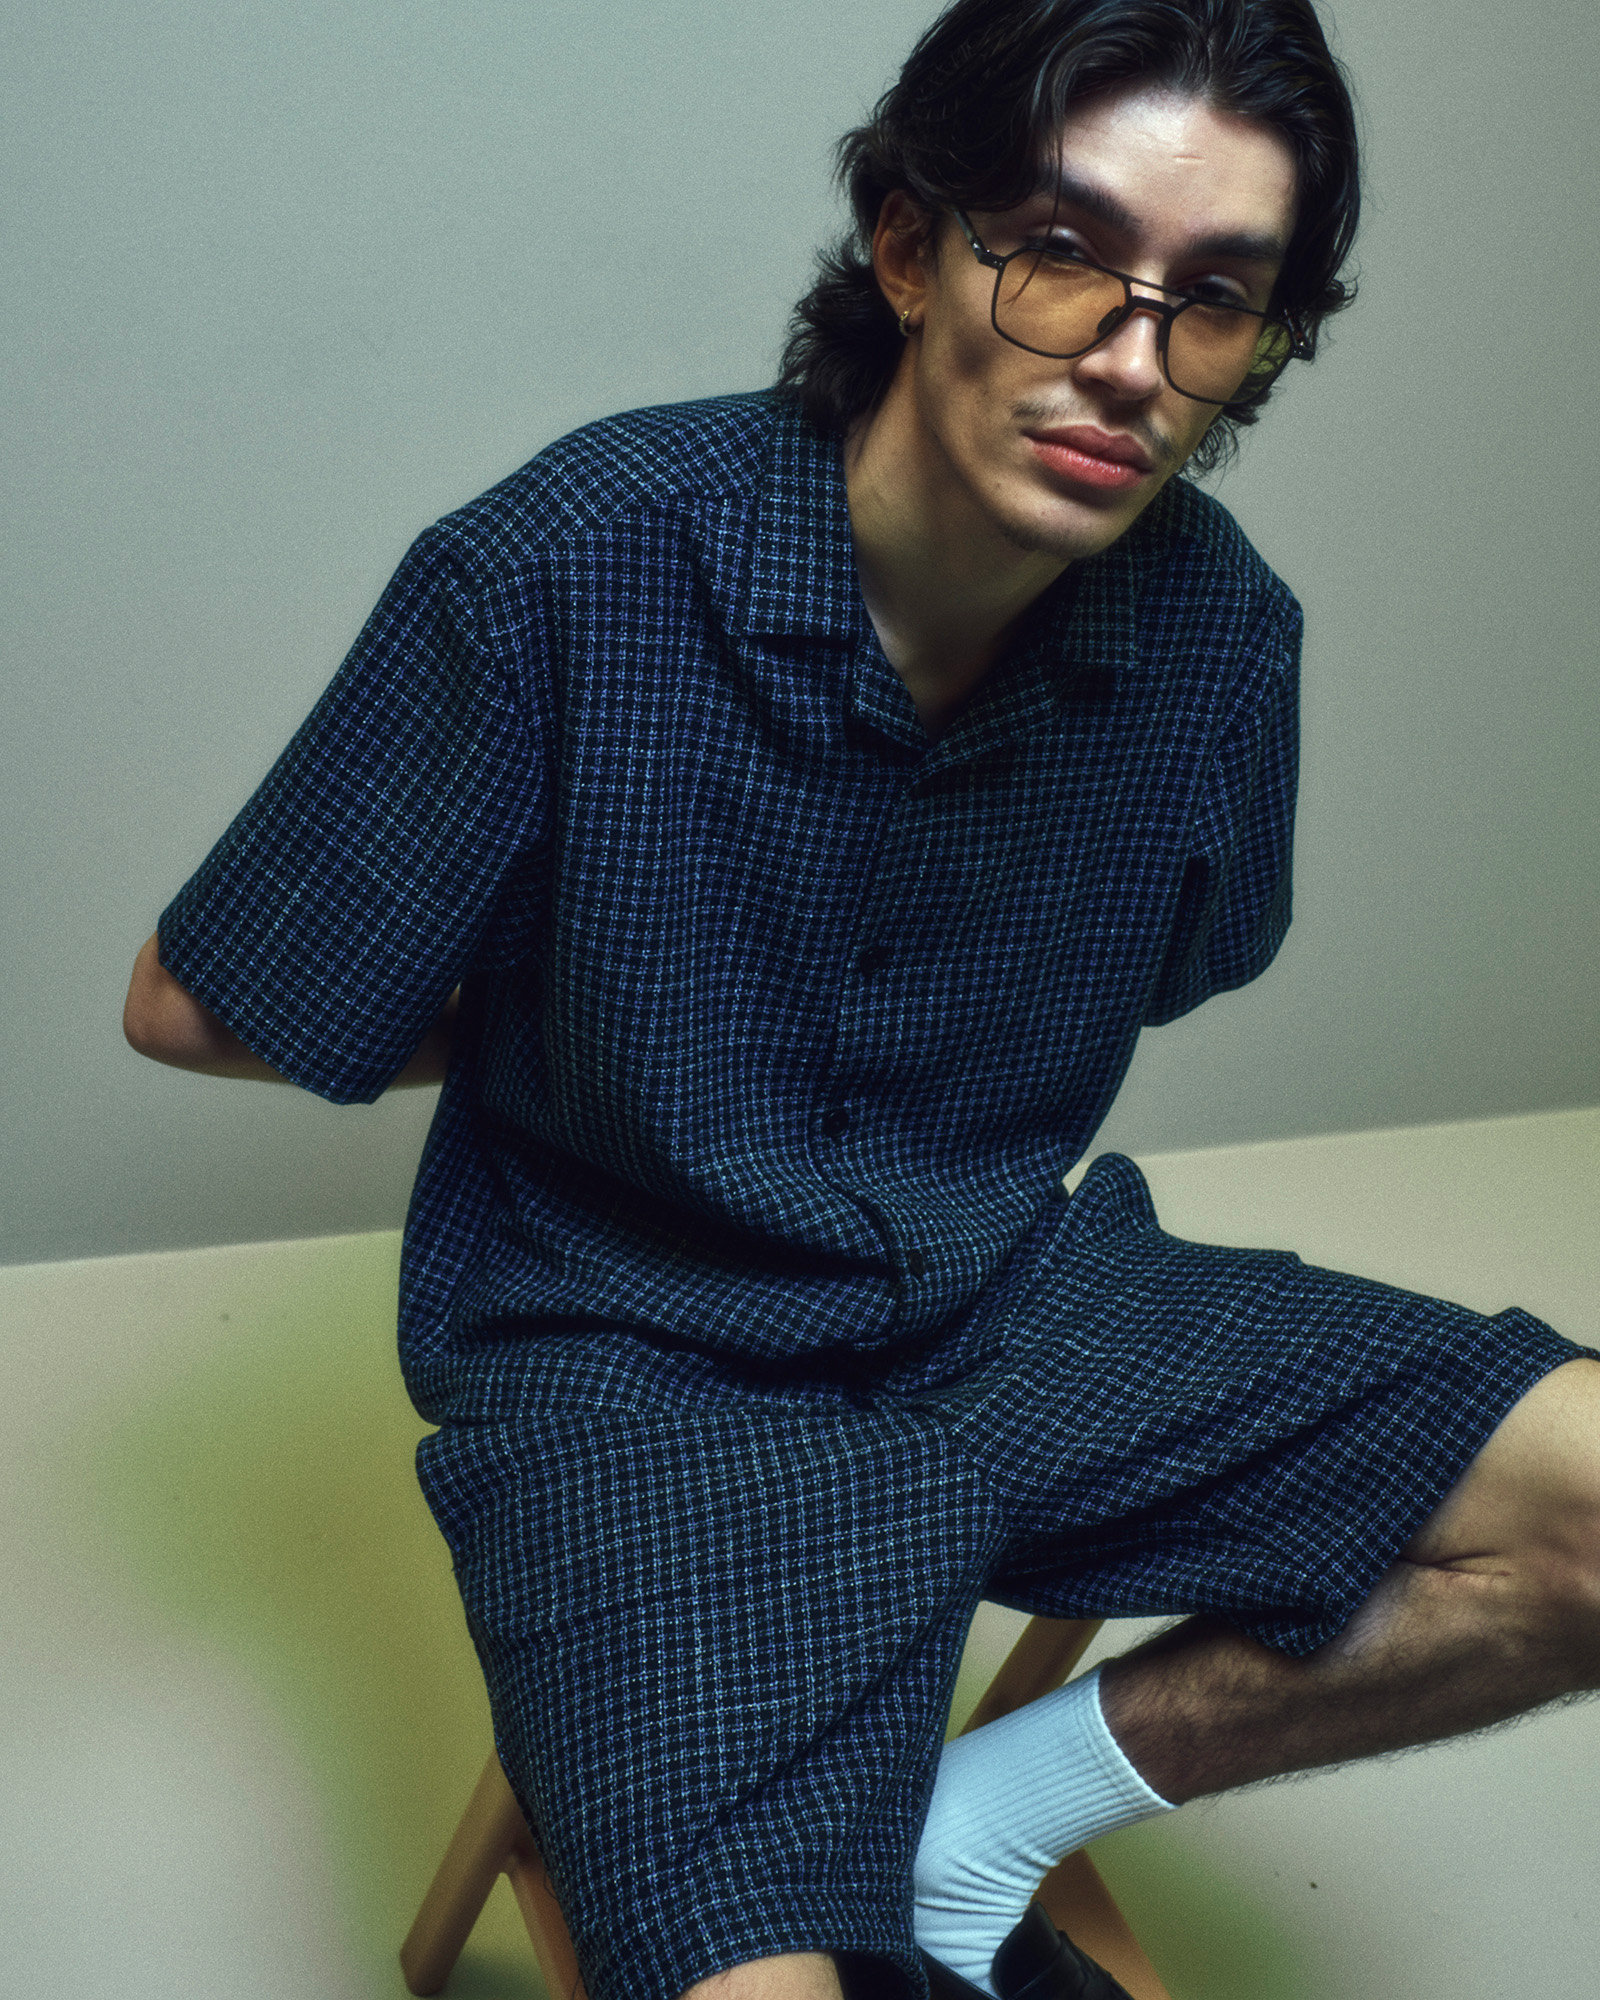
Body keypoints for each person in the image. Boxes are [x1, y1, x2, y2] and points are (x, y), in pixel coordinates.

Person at [123, 1, 1600, 1996]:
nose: (1131, 358)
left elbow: (1190, 949)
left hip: (1008, 1300)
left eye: (1214, 299)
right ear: (908, 248)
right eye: (1060, 251)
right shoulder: (571, 562)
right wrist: (582, 1022)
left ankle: (973, 1830)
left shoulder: (1219, 642)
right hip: (626, 1363)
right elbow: (198, 999)